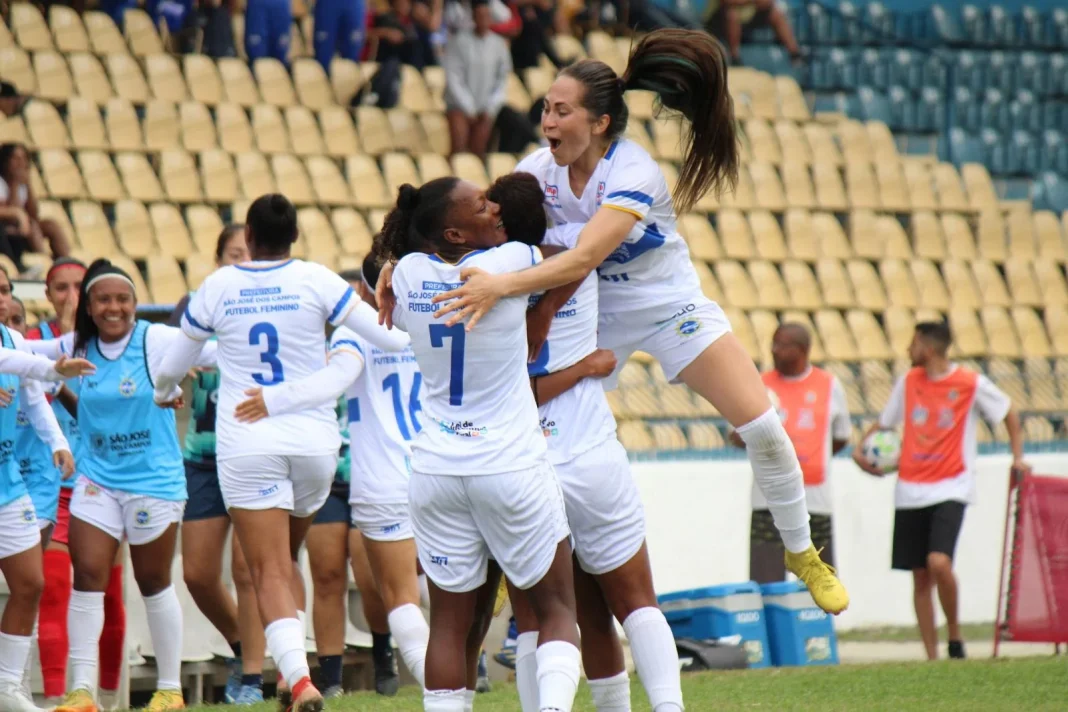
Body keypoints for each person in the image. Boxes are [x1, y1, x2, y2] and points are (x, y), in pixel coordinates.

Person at [380, 29, 850, 616]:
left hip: (665, 306)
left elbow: (581, 257)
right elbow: (473, 229)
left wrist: (506, 288)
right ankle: (506, 558)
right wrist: (404, 260)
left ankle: (802, 550)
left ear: (599, 122)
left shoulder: (635, 171)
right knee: (526, 435)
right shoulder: (537, 170)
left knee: (764, 428)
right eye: (546, 108)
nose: (546, 119)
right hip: (593, 314)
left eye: (560, 110)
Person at [152, 193, 409, 712]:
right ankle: (296, 681)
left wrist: (164, 392)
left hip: (250, 442)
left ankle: (299, 680)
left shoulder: (220, 285)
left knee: (267, 568)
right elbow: (391, 338)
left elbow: (172, 363)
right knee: (284, 562)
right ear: (295, 236)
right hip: (316, 446)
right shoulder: (315, 279)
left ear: (248, 236)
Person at [377, 177, 581, 712]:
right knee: (558, 608)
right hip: (509, 463)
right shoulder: (510, 259)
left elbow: (379, 264)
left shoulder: (412, 273)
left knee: (448, 625)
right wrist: (541, 310)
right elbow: (572, 258)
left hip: (437, 470)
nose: (495, 209)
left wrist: (383, 272)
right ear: (454, 231)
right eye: (481, 205)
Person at [487, 171, 683, 712]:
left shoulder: (486, 287)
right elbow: (586, 254)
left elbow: (517, 389)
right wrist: (584, 366)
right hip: (590, 450)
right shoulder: (577, 261)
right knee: (634, 601)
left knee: (539, 616)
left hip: (523, 462)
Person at [29, 259, 217, 712]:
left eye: (123, 299)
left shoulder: (156, 341)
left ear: (135, 304)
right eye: (104, 300)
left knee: (153, 580)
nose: (114, 308)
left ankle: (169, 689)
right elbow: (21, 357)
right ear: (89, 307)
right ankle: (82, 691)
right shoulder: (74, 346)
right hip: (97, 480)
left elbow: (213, 351)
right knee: (88, 576)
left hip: (153, 481)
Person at [854, 321, 1030, 661]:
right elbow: (885, 423)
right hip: (909, 489)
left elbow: (1009, 412)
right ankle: (932, 657)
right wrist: (862, 450)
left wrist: (1018, 457)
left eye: (912, 343)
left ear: (927, 347)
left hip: (951, 486)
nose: (908, 350)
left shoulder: (969, 383)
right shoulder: (908, 383)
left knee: (938, 562)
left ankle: (954, 636)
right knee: (920, 577)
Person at [166, 225, 265, 705]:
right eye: (232, 254)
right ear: (217, 257)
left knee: (248, 571)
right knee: (199, 574)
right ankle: (243, 645)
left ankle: (250, 676)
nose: (241, 262)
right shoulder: (198, 303)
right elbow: (168, 356)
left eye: (248, 254)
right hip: (204, 453)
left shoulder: (273, 303)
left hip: (254, 449)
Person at [22, 260, 127, 710]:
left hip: (104, 476)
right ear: (47, 294)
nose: (69, 296)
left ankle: (106, 696)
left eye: (77, 288)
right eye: (59, 288)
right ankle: (54, 699)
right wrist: (58, 358)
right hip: (54, 480)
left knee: (110, 596)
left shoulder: (111, 344)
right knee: (56, 591)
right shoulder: (35, 343)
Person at [729, 323, 852, 583]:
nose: (775, 350)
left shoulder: (829, 386)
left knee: (822, 581)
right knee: (766, 580)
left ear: (803, 349)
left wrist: (809, 459)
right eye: (774, 343)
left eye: (783, 345)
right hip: (768, 499)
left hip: (815, 499)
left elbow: (840, 438)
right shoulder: (759, 384)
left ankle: (820, 625)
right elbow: (736, 436)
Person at [0, 309, 76, 711]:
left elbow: (33, 399)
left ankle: (8, 688)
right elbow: (21, 364)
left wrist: (57, 441)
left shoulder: (13, 340)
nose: (1, 299)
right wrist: (52, 367)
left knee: (30, 582)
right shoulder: (16, 353)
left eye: (4, 290)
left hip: (7, 480)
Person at [444, 0, 512, 158]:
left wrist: (490, 107)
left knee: (478, 153)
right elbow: (454, 78)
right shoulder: (458, 41)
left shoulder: (498, 44)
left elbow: (502, 80)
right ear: (473, 17)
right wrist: (469, 107)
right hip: (459, 106)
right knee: (458, 152)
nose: (483, 19)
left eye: (486, 16)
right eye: (479, 15)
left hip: (484, 107)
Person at [0, 143, 71, 260]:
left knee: (50, 225)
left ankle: (65, 259)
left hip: (24, 226)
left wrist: (28, 185)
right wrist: (14, 185)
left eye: (24, 159)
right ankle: (43, 260)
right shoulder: (2, 183)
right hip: (6, 231)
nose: (21, 163)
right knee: (32, 227)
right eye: (16, 158)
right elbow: (10, 215)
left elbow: (33, 213)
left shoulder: (22, 185)